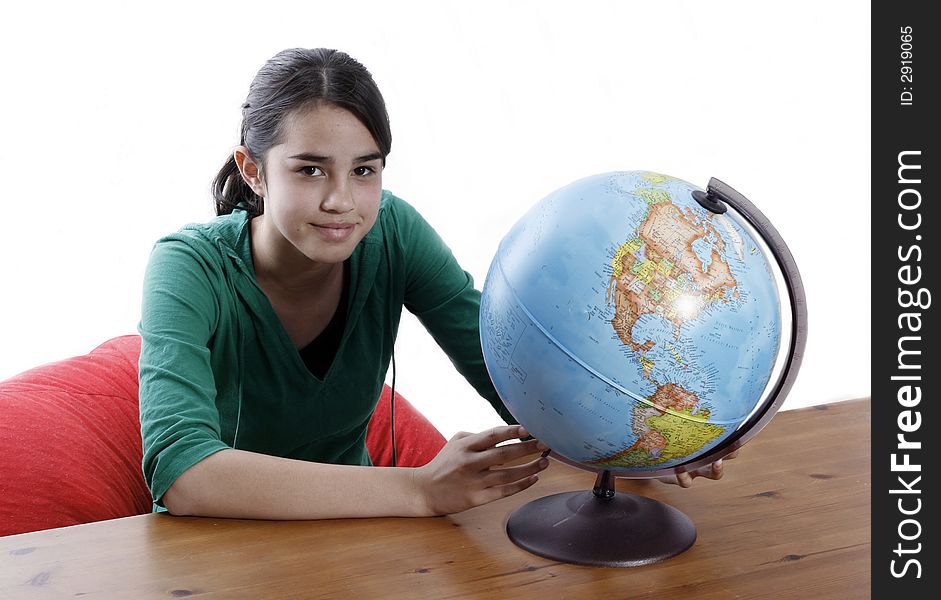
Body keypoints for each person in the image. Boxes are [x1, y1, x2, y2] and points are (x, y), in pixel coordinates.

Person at [138, 47, 730, 521]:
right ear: (253, 170)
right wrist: (419, 491)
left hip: (353, 537)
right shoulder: (186, 266)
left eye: (364, 170)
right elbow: (186, 475)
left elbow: (504, 369)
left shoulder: (393, 231)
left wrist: (642, 448)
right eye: (310, 169)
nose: (342, 200)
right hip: (216, 544)